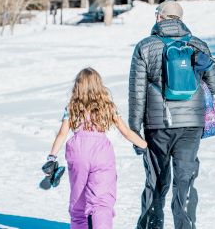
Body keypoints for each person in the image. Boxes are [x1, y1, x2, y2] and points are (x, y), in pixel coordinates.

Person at [128, 0, 215, 229]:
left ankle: (152, 225)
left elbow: (137, 93)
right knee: (185, 179)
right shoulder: (198, 45)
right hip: (192, 125)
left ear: (159, 17)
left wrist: (134, 130)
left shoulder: (145, 46)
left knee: (156, 179)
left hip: (157, 124)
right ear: (180, 18)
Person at [47, 67, 148, 229]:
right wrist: (145, 145)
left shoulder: (72, 108)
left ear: (78, 86)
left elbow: (62, 134)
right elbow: (126, 131)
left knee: (78, 205)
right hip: (102, 153)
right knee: (101, 203)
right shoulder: (108, 106)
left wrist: (51, 157)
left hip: (78, 153)